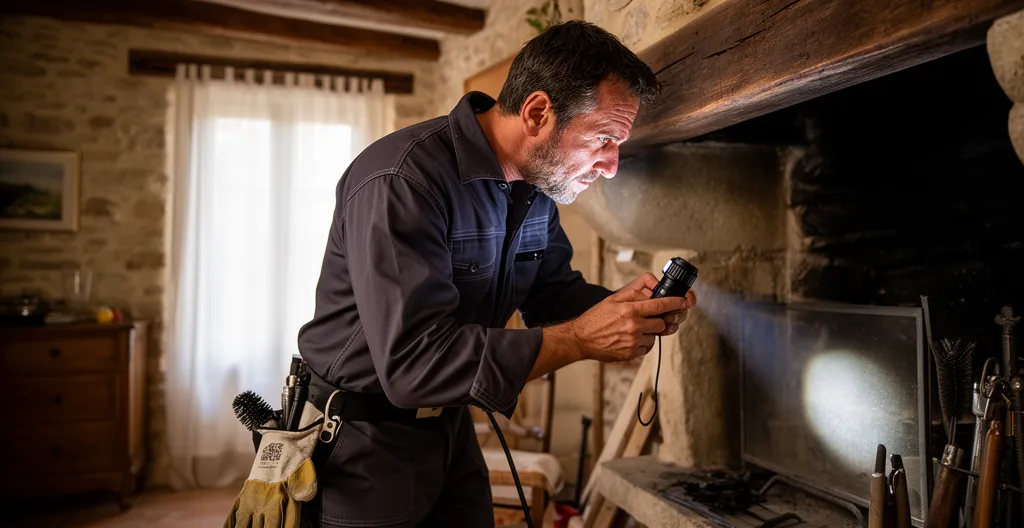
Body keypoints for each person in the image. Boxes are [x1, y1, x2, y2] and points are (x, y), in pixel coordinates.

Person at [295, 20, 697, 527]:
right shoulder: (402, 180)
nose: (612, 165)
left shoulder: (536, 189)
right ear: (537, 112)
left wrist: (626, 309)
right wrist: (579, 340)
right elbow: (415, 365)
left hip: (449, 430)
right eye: (602, 138)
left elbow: (552, 294)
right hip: (360, 441)